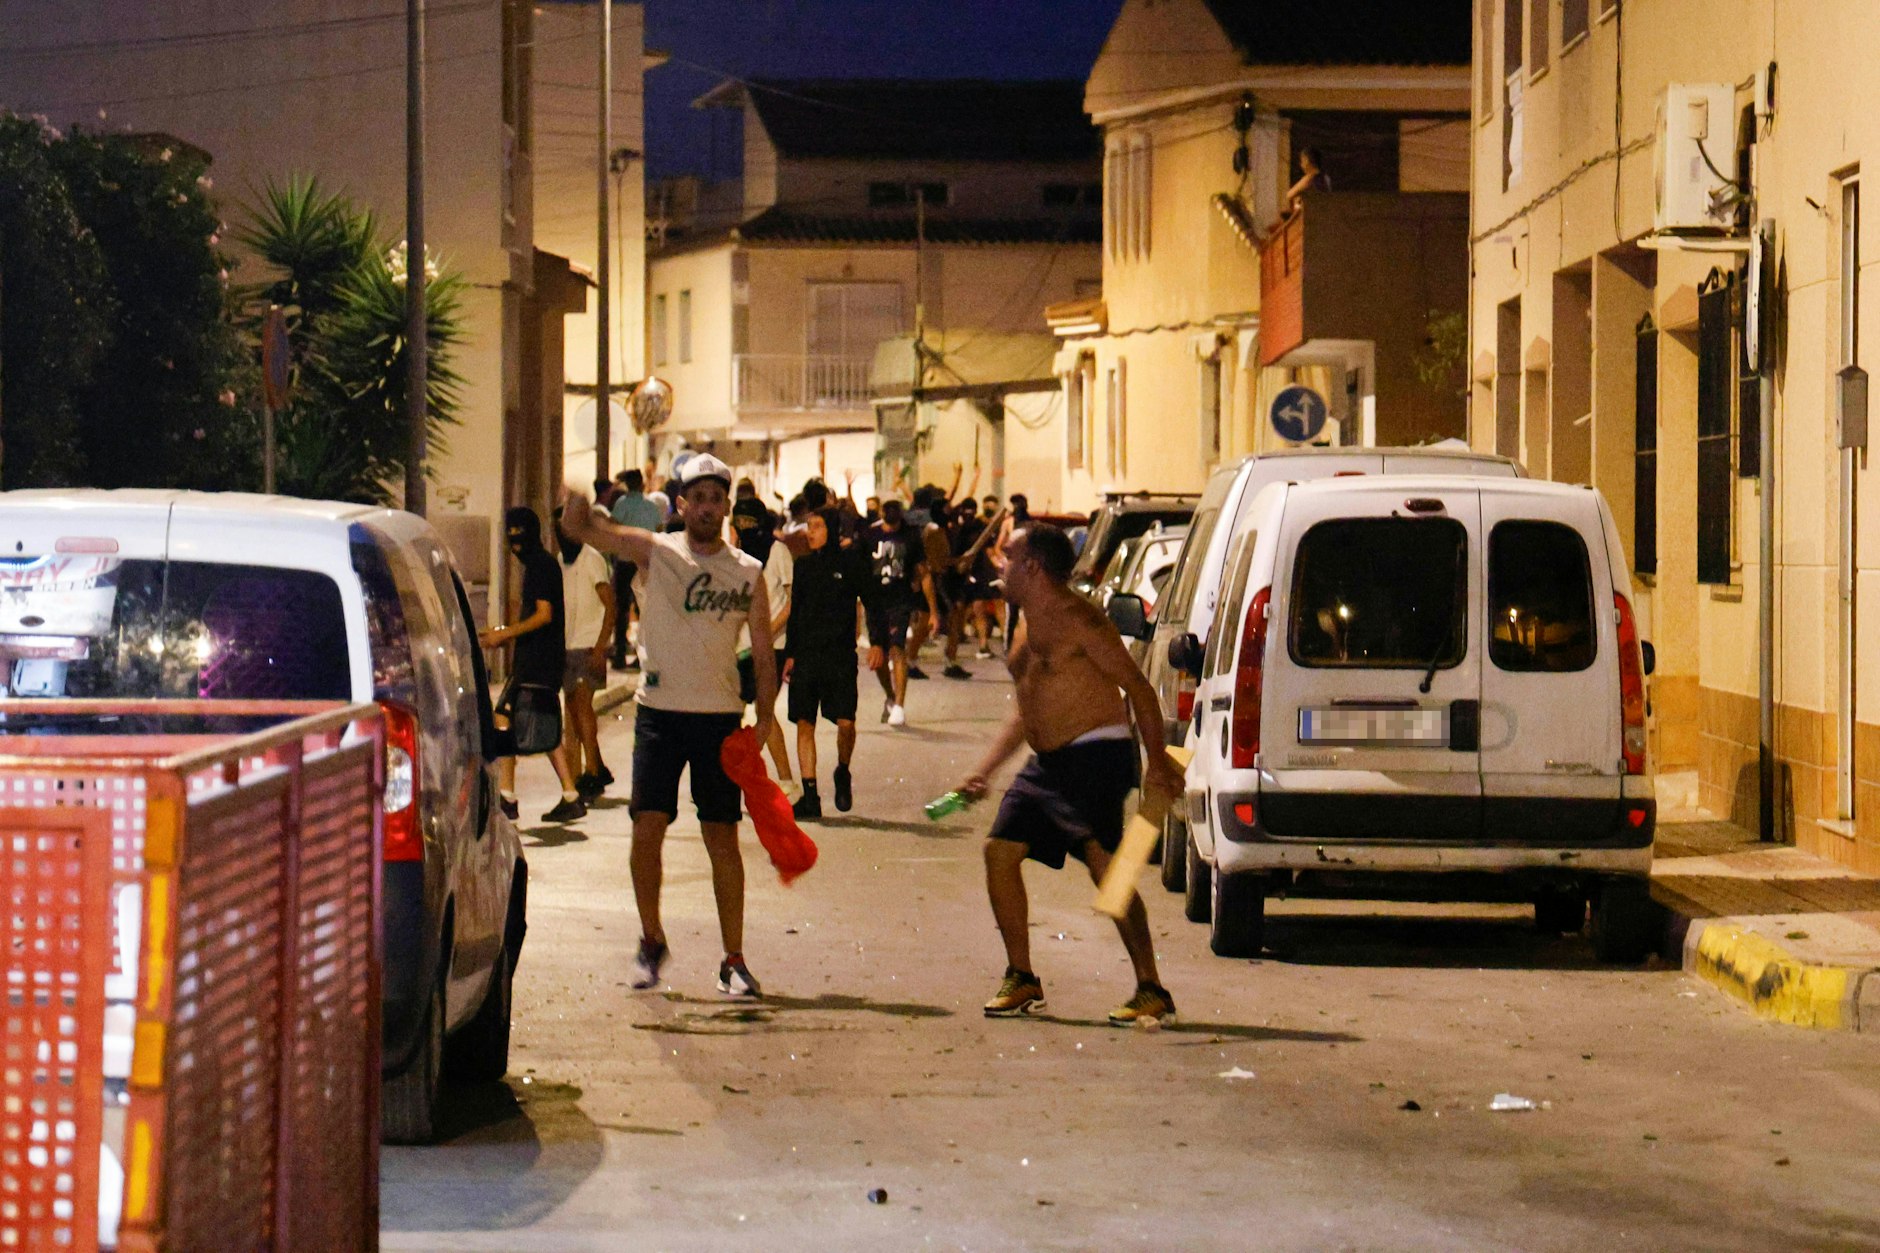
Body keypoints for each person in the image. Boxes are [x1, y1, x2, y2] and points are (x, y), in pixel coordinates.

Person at [560, 453, 777, 999]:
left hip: (721, 719)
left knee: (722, 839)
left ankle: (733, 959)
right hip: (659, 714)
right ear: (680, 505)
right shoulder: (657, 552)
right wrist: (581, 488)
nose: (706, 507)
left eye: (715, 498)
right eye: (696, 498)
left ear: (727, 505)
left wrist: (766, 721)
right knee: (647, 829)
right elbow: (579, 527)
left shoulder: (748, 571)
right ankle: (651, 938)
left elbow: (765, 655)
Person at [958, 523, 1184, 1027]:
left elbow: (1139, 689)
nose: (1001, 563)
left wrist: (1159, 763)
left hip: (1095, 757)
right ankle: (1022, 977)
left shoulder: (1080, 619)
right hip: (1049, 764)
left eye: (1009, 555)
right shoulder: (1026, 623)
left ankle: (1151, 988)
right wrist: (985, 769)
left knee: (1111, 873)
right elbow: (1029, 709)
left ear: (1033, 566)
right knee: (1000, 852)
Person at [481, 507, 585, 823]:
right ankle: (569, 794)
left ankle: (508, 795)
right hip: (541, 660)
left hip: (537, 662)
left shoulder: (539, 565)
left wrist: (505, 634)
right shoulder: (541, 564)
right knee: (539, 722)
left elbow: (544, 614)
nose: (514, 543)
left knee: (505, 715)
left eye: (518, 534)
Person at [786, 509, 867, 819]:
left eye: (817, 526)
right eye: (808, 526)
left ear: (832, 529)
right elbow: (797, 612)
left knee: (846, 723)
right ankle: (810, 796)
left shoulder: (850, 563)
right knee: (804, 722)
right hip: (807, 656)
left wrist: (880, 647)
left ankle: (842, 770)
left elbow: (868, 599)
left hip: (840, 658)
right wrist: (791, 654)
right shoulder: (803, 566)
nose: (811, 532)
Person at [738, 496, 799, 794]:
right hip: (740, 647)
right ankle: (780, 779)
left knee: (764, 711)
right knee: (738, 711)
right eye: (739, 521)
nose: (744, 527)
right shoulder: (734, 556)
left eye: (749, 521)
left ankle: (773, 778)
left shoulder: (778, 552)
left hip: (773, 645)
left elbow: (791, 602)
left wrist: (766, 632)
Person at [555, 510, 616, 804]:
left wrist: (602, 645)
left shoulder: (592, 559)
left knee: (581, 707)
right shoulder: (560, 561)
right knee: (572, 714)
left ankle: (592, 770)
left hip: (588, 644)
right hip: (567, 645)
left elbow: (610, 604)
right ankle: (584, 773)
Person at [861, 497, 935, 728]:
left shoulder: (911, 536)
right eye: (888, 509)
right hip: (875, 603)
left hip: (900, 601)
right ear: (882, 512)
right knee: (879, 656)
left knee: (897, 648)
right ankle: (890, 696)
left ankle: (900, 706)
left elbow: (924, 573)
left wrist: (933, 611)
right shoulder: (869, 536)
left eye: (895, 510)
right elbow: (860, 571)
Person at [609, 469, 664, 667]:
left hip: (625, 560)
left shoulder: (622, 504)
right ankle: (645, 656)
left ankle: (620, 654)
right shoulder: (651, 506)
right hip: (646, 562)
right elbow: (659, 530)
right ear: (641, 485)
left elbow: (612, 526)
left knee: (622, 608)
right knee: (646, 609)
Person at [730, 477, 775, 566]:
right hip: (748, 550)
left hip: (756, 549)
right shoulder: (738, 507)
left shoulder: (756, 506)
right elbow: (734, 533)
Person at [1285, 145, 1330, 214]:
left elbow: (1289, 195)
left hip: (1310, 217)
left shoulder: (1309, 178)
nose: (1301, 165)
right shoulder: (1326, 177)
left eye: (1302, 161)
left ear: (1307, 161)